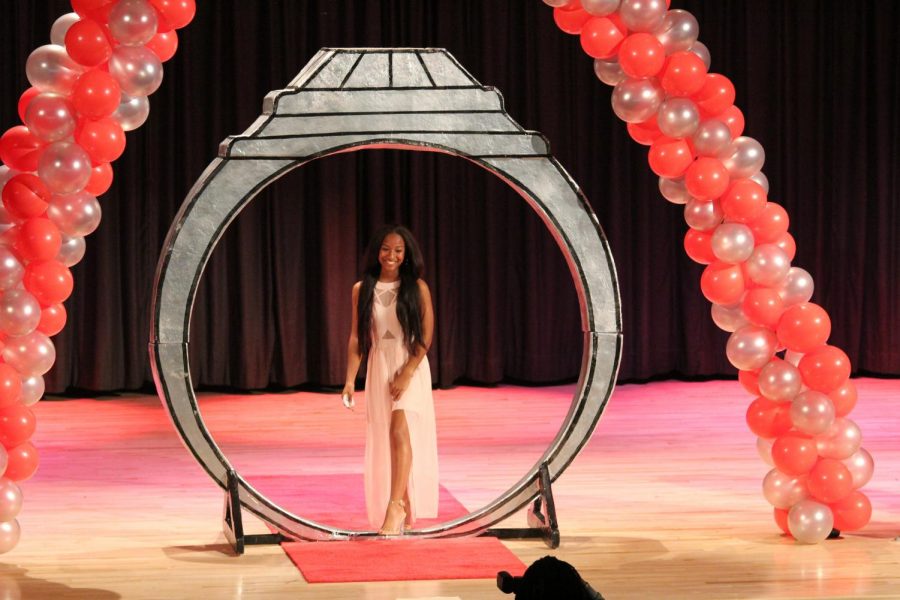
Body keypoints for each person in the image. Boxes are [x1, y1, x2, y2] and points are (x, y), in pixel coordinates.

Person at [342, 225, 439, 535]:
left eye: (398, 250)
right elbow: (357, 337)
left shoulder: (417, 288)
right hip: (379, 367)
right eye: (386, 249)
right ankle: (406, 500)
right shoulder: (362, 289)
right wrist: (348, 380)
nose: (392, 255)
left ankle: (394, 507)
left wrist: (409, 371)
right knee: (392, 437)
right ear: (377, 251)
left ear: (406, 254)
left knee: (400, 428)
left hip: (409, 366)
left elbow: (425, 336)